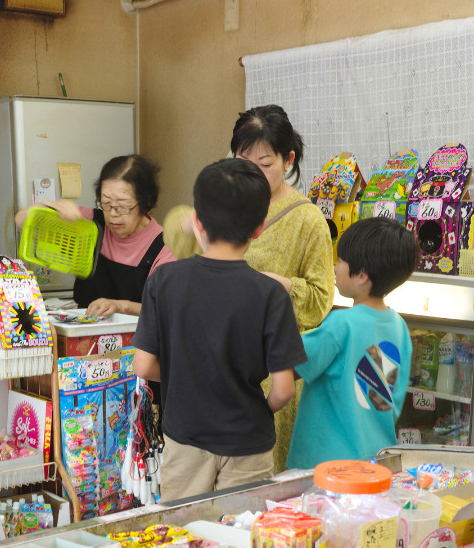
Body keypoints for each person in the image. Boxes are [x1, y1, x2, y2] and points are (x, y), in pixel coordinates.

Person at [163, 105, 335, 474]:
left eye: (266, 163)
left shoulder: (308, 219)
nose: (254, 172)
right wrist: (184, 225)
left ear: (288, 160)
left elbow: (322, 301)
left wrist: (282, 285)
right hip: (212, 355)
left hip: (271, 370)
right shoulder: (224, 198)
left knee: (257, 489)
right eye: (244, 160)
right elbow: (186, 257)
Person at [133, 158, 307, 503]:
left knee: (183, 537)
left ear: (197, 221)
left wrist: (185, 379)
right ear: (258, 227)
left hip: (185, 438)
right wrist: (256, 407)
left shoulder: (164, 281)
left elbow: (143, 365)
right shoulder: (270, 293)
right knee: (239, 538)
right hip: (248, 440)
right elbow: (283, 389)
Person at [286, 217, 419, 469]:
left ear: (361, 275)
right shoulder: (399, 327)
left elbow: (290, 362)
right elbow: (391, 399)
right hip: (373, 463)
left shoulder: (341, 324)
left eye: (340, 260)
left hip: (323, 465)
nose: (334, 267)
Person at [15, 154, 176, 317]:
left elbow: (164, 310)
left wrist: (120, 306)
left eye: (123, 206)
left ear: (146, 202)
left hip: (134, 339)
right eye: (106, 203)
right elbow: (21, 221)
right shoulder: (90, 224)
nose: (113, 214)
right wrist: (54, 205)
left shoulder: (163, 247)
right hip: (84, 333)